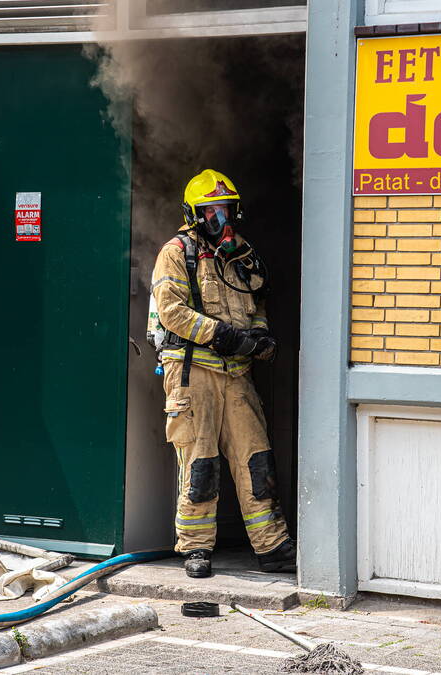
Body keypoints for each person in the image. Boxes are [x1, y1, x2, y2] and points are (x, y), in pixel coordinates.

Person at [151, 169, 296, 579]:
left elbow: (257, 301)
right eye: (212, 211)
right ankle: (195, 548)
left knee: (256, 459)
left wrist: (261, 337)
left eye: (226, 209)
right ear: (195, 214)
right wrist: (228, 337)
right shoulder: (177, 252)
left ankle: (272, 547)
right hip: (192, 373)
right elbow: (172, 312)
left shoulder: (240, 252)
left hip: (237, 376)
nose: (221, 219)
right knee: (200, 464)